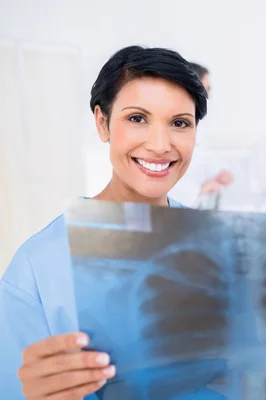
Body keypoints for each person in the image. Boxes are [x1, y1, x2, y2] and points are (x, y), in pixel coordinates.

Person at [0, 45, 208, 399]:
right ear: (102, 122)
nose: (160, 145)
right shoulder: (38, 265)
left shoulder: (216, 242)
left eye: (179, 123)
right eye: (137, 118)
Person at [168, 62, 234, 207]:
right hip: (176, 204)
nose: (208, 95)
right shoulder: (172, 122)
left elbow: (204, 156)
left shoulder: (199, 122)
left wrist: (221, 172)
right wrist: (199, 189)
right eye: (206, 89)